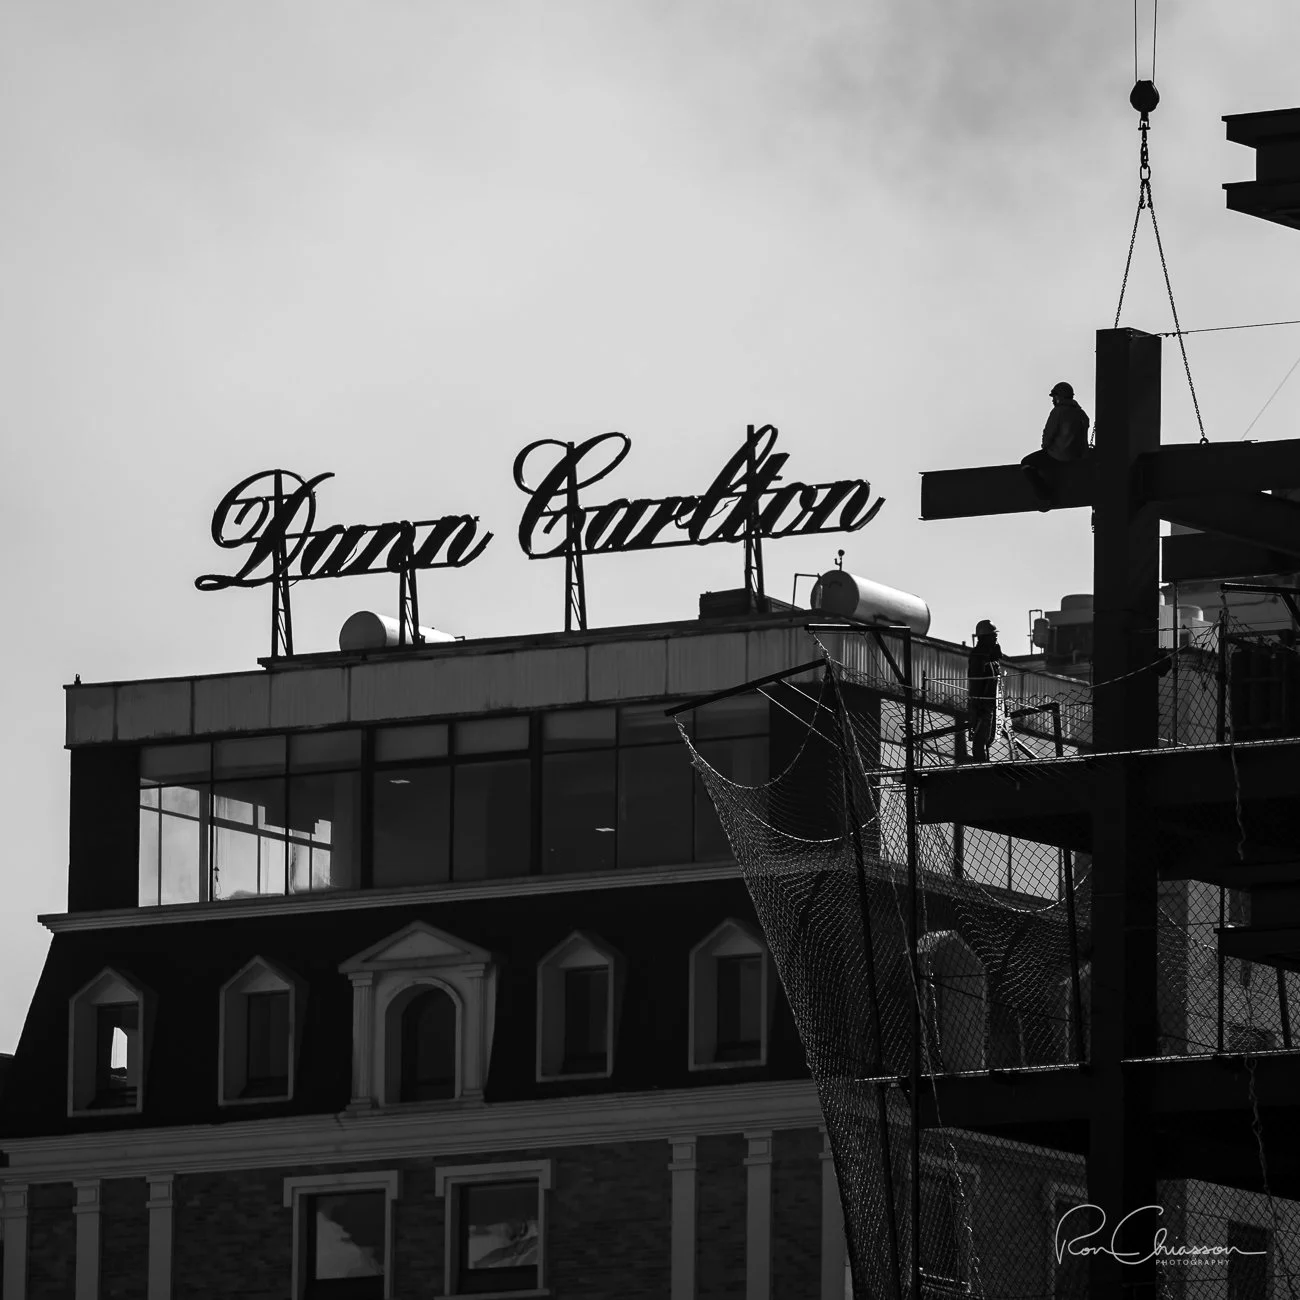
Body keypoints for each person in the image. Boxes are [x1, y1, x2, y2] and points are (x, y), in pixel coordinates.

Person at [1021, 381, 1090, 510]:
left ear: (1059, 397)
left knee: (1027, 463)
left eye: (1054, 397)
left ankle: (1045, 495)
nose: (1053, 400)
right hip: (1076, 456)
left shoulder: (1058, 412)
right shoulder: (1082, 414)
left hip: (1057, 455)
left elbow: (1048, 435)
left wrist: (1045, 447)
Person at [968, 619, 1003, 763]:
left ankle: (984, 762)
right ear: (984, 638)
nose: (996, 638)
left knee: (990, 737)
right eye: (993, 636)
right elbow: (976, 684)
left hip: (992, 703)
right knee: (980, 739)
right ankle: (980, 766)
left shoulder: (991, 658)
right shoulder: (978, 657)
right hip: (982, 705)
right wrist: (977, 707)